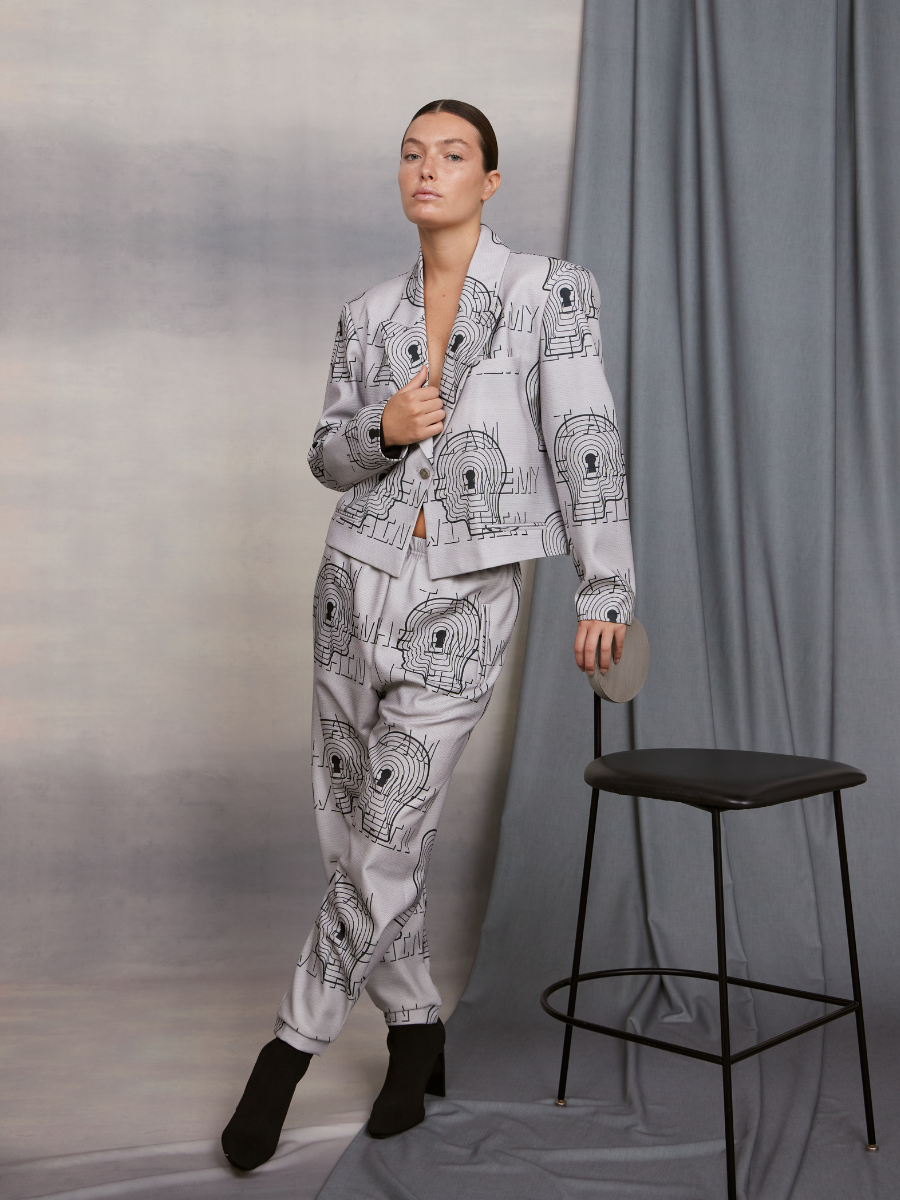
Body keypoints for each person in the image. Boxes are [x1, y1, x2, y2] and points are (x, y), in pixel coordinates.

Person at [221, 98, 635, 1171]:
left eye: (452, 155)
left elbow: (584, 433)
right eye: (412, 153)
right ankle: (416, 1029)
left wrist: (606, 589)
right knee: (351, 830)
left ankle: (287, 1049)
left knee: (386, 836)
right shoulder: (366, 314)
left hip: (464, 598)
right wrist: (382, 428)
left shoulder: (548, 292)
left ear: (488, 181)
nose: (427, 169)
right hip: (350, 588)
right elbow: (326, 455)